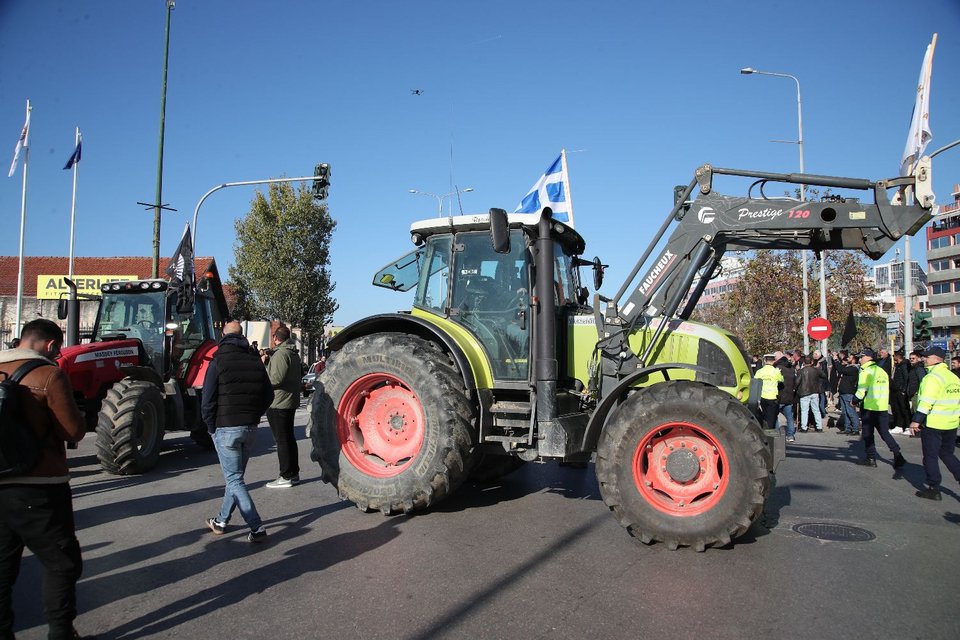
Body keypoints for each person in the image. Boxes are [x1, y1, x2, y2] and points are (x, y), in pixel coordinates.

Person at [0, 319, 91, 640]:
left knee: (3, 568)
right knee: (61, 563)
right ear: (51, 346)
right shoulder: (49, 375)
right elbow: (72, 431)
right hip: (40, 488)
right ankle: (61, 633)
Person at [202, 321, 274, 542]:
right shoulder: (254, 360)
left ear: (223, 334)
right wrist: (255, 415)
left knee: (234, 480)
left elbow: (207, 400)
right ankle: (221, 521)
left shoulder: (218, 360)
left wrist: (210, 427)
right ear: (242, 335)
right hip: (249, 428)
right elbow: (268, 395)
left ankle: (256, 527)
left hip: (225, 429)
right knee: (235, 479)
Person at [908, 346, 960, 500]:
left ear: (937, 359)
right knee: (947, 454)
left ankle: (933, 488)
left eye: (927, 357)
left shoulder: (932, 378)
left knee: (930, 456)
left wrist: (915, 422)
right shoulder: (953, 377)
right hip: (951, 423)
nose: (924, 359)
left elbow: (926, 403)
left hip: (934, 424)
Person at [262, 325, 302, 488]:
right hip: (288, 400)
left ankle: (285, 476)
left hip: (278, 402)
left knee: (282, 440)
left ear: (276, 338)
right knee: (289, 439)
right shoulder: (292, 353)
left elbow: (275, 379)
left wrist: (264, 368)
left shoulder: (281, 354)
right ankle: (293, 473)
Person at [854, 348, 906, 469]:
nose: (859, 360)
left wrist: (854, 401)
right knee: (884, 433)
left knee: (868, 434)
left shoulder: (866, 371)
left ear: (867, 358)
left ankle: (871, 458)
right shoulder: (881, 371)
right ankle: (897, 454)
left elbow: (861, 391)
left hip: (869, 408)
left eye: (861, 357)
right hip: (881, 407)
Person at [796, 355, 826, 432]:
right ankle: (819, 427)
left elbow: (797, 382)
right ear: (812, 362)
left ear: (803, 362)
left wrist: (795, 389)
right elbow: (824, 376)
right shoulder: (816, 370)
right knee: (816, 410)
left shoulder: (801, 371)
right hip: (815, 391)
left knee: (804, 411)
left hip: (804, 392)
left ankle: (804, 427)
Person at [835, 351, 861, 436]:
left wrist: (836, 360)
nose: (847, 358)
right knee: (845, 412)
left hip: (849, 392)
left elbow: (841, 369)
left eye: (850, 357)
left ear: (853, 360)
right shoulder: (848, 366)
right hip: (843, 392)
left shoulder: (854, 368)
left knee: (850, 411)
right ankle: (847, 428)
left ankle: (856, 428)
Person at [754, 354, 782, 431]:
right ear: (773, 361)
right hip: (772, 397)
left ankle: (764, 429)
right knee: (771, 417)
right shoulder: (776, 371)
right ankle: (770, 431)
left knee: (764, 415)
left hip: (762, 396)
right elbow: (781, 380)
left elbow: (755, 381)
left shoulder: (760, 371)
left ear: (765, 361)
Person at [774, 351, 798, 442]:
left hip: (780, 396)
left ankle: (777, 435)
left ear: (777, 359)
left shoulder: (777, 368)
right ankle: (790, 435)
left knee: (774, 415)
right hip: (789, 396)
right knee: (789, 417)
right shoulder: (791, 368)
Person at [889, 350, 911, 435]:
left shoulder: (904, 365)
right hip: (895, 390)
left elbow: (906, 378)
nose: (893, 358)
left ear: (897, 356)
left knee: (904, 408)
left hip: (900, 391)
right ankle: (899, 426)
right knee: (896, 408)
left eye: (894, 356)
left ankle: (908, 426)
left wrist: (903, 390)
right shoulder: (897, 365)